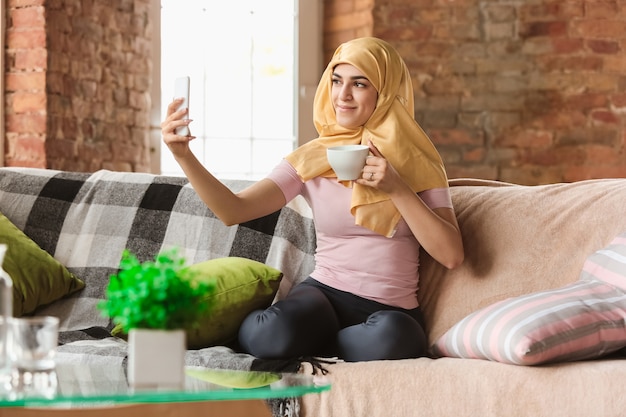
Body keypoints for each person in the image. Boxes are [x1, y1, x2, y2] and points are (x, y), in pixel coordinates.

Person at [161, 37, 464, 362]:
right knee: (269, 334)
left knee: (395, 339)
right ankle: (323, 343)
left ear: (385, 92)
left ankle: (320, 346)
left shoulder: (418, 160)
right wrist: (183, 156)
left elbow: (451, 255)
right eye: (336, 81)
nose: (342, 95)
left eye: (359, 84)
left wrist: (397, 188)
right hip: (323, 295)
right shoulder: (312, 157)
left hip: (390, 309)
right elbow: (233, 210)